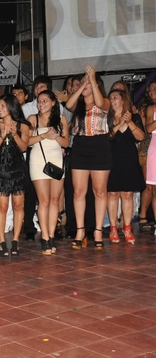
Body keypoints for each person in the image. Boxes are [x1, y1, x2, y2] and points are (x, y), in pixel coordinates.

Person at [66, 64, 111, 250]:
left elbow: (100, 104)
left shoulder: (105, 102)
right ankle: (80, 231)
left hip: (100, 146)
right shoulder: (77, 105)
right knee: (78, 191)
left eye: (86, 84)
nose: (83, 86)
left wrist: (92, 80)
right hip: (80, 146)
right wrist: (82, 84)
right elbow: (68, 104)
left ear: (95, 84)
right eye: (81, 84)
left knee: (99, 191)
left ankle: (98, 231)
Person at [28, 91, 69, 255]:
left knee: (55, 200)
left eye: (45, 101)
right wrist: (44, 135)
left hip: (57, 160)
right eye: (39, 101)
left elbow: (66, 143)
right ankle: (44, 237)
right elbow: (26, 142)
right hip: (38, 160)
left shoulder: (61, 119)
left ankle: (51, 235)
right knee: (43, 201)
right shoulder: (33, 119)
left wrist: (56, 137)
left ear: (53, 103)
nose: (41, 104)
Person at [0, 95, 30, 257]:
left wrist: (15, 134)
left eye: (3, 106)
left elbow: (24, 147)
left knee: (18, 205)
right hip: (1, 169)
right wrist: (2, 136)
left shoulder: (23, 125)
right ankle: (1, 241)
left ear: (11, 107)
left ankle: (15, 240)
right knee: (2, 207)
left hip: (18, 169)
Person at [107, 89, 144, 244]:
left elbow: (141, 137)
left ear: (123, 100)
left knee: (127, 194)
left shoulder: (134, 117)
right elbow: (107, 137)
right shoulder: (107, 118)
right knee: (113, 194)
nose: (112, 100)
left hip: (129, 159)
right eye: (110, 98)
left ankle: (127, 227)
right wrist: (120, 123)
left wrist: (129, 122)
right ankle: (113, 228)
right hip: (112, 159)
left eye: (115, 97)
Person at [137, 80, 156, 231]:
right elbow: (148, 128)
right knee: (152, 188)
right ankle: (145, 216)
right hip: (151, 147)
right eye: (150, 89)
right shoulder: (149, 108)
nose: (151, 91)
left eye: (155, 88)